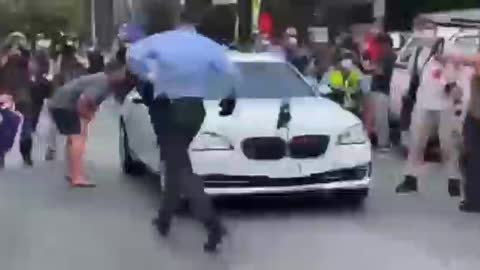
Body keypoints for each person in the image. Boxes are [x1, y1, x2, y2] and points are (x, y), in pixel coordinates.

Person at [127, 9, 233, 253]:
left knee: (181, 169)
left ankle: (212, 223)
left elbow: (148, 86)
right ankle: (164, 219)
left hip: (170, 116)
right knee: (174, 165)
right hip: (193, 112)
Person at [48, 61, 136, 187]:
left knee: (72, 139)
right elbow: (84, 101)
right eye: (123, 74)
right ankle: (77, 177)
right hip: (66, 105)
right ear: (115, 73)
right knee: (79, 138)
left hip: (59, 103)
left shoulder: (103, 80)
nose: (124, 78)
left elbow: (89, 100)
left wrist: (92, 109)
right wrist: (87, 115)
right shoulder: (103, 82)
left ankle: (72, 172)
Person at [396, 39, 463, 195]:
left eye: (444, 51)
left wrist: (450, 81)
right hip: (423, 105)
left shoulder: (451, 66)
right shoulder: (423, 58)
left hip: (445, 108)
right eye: (438, 50)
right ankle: (410, 179)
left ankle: (454, 181)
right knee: (416, 143)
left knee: (448, 146)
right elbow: (415, 78)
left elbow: (456, 92)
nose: (440, 54)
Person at [46, 37, 88, 161]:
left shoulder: (58, 63)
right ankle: (69, 147)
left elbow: (53, 79)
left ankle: (52, 148)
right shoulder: (78, 64)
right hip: (72, 97)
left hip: (59, 96)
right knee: (72, 123)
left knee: (54, 123)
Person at [0, 32, 34, 166]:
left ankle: (24, 154)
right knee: (8, 125)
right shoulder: (6, 57)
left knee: (23, 126)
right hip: (10, 94)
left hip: (17, 94)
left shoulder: (25, 58)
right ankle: (23, 155)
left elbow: (32, 70)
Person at [368, 33, 396, 151]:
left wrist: (371, 67)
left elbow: (380, 72)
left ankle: (383, 143)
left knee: (381, 119)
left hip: (382, 89)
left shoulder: (387, 56)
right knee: (378, 118)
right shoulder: (388, 55)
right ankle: (380, 141)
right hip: (381, 89)